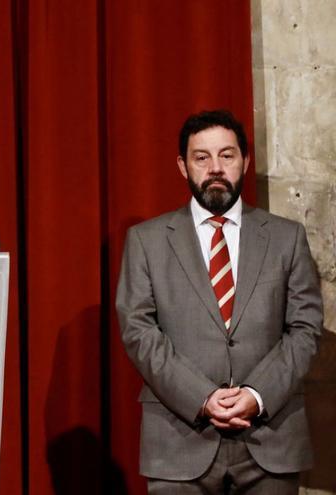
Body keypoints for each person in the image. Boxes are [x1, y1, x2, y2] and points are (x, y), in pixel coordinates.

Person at [116, 109, 321, 494]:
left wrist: (257, 395)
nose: (215, 168)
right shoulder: (146, 241)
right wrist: (203, 397)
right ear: (182, 166)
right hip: (179, 440)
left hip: (270, 437)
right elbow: (138, 331)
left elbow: (306, 329)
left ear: (245, 160)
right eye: (201, 157)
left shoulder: (287, 238)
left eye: (226, 155)